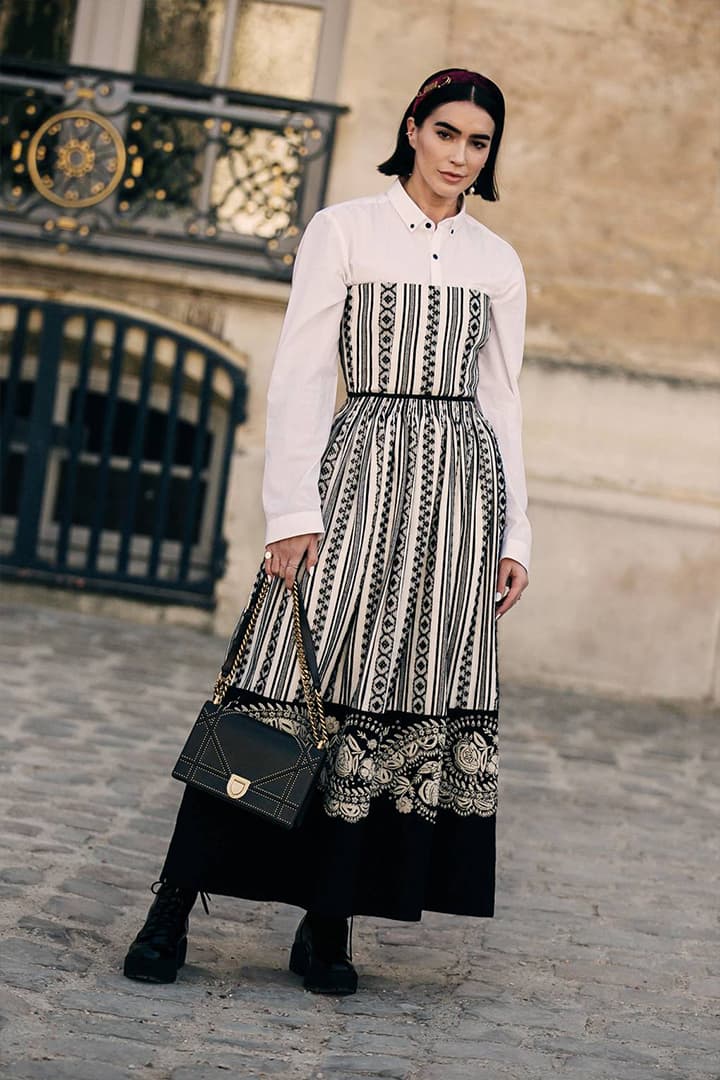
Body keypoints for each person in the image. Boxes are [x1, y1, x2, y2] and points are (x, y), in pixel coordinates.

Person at [123, 66, 531, 996]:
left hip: (456, 502)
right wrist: (291, 515)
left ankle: (329, 926)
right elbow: (301, 372)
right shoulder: (342, 229)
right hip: (352, 480)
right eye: (447, 134)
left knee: (389, 701)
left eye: (479, 143)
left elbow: (505, 403)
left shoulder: (497, 261)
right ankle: (170, 908)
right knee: (276, 679)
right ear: (414, 130)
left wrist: (516, 537)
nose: (461, 157)